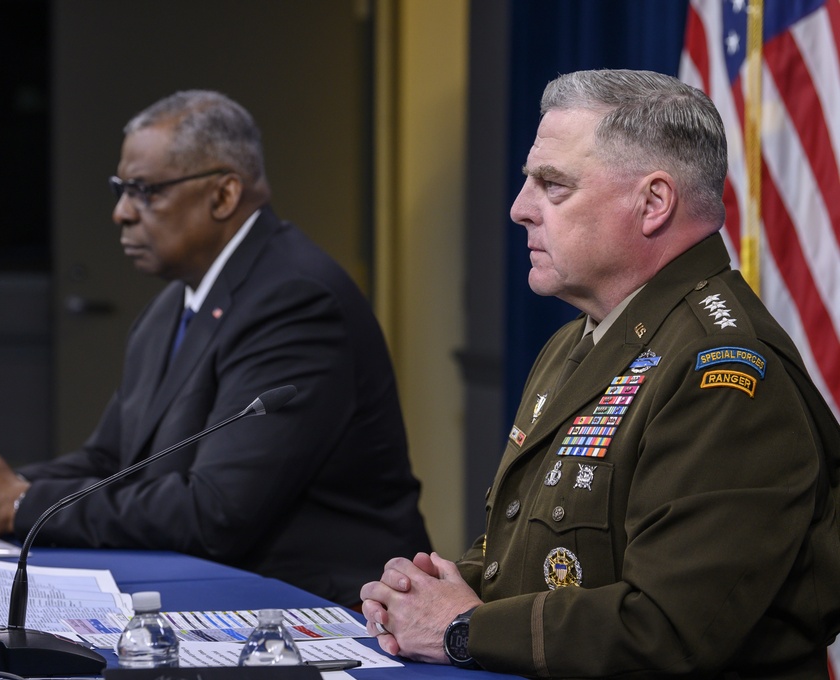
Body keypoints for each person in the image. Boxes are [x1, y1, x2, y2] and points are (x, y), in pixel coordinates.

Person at [360, 69, 840, 678]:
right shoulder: (575, 343)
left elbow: (666, 630)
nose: (519, 209)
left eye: (552, 184)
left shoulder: (722, 373)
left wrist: (461, 628)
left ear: (653, 203)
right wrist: (435, 593)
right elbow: (546, 559)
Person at [0, 90, 431, 606]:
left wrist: (15, 503)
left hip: (325, 611)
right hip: (219, 589)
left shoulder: (294, 300)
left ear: (223, 195)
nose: (121, 213)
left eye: (144, 191)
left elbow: (216, 511)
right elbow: (114, 459)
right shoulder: (173, 305)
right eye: (121, 189)